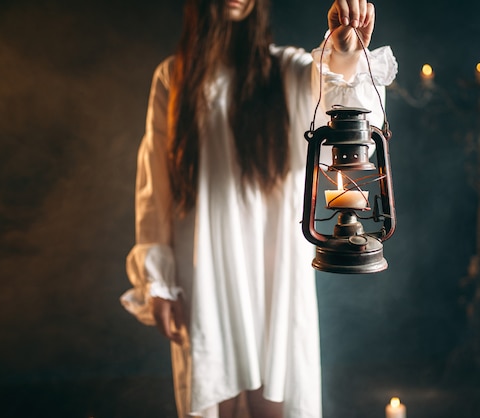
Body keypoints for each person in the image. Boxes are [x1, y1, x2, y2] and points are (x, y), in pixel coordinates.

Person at [120, 0, 397, 417]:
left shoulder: (283, 69)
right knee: (217, 389)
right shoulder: (173, 77)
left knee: (277, 393)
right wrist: (158, 281)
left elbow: (339, 103)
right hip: (206, 264)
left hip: (275, 260)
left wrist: (344, 50)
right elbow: (154, 187)